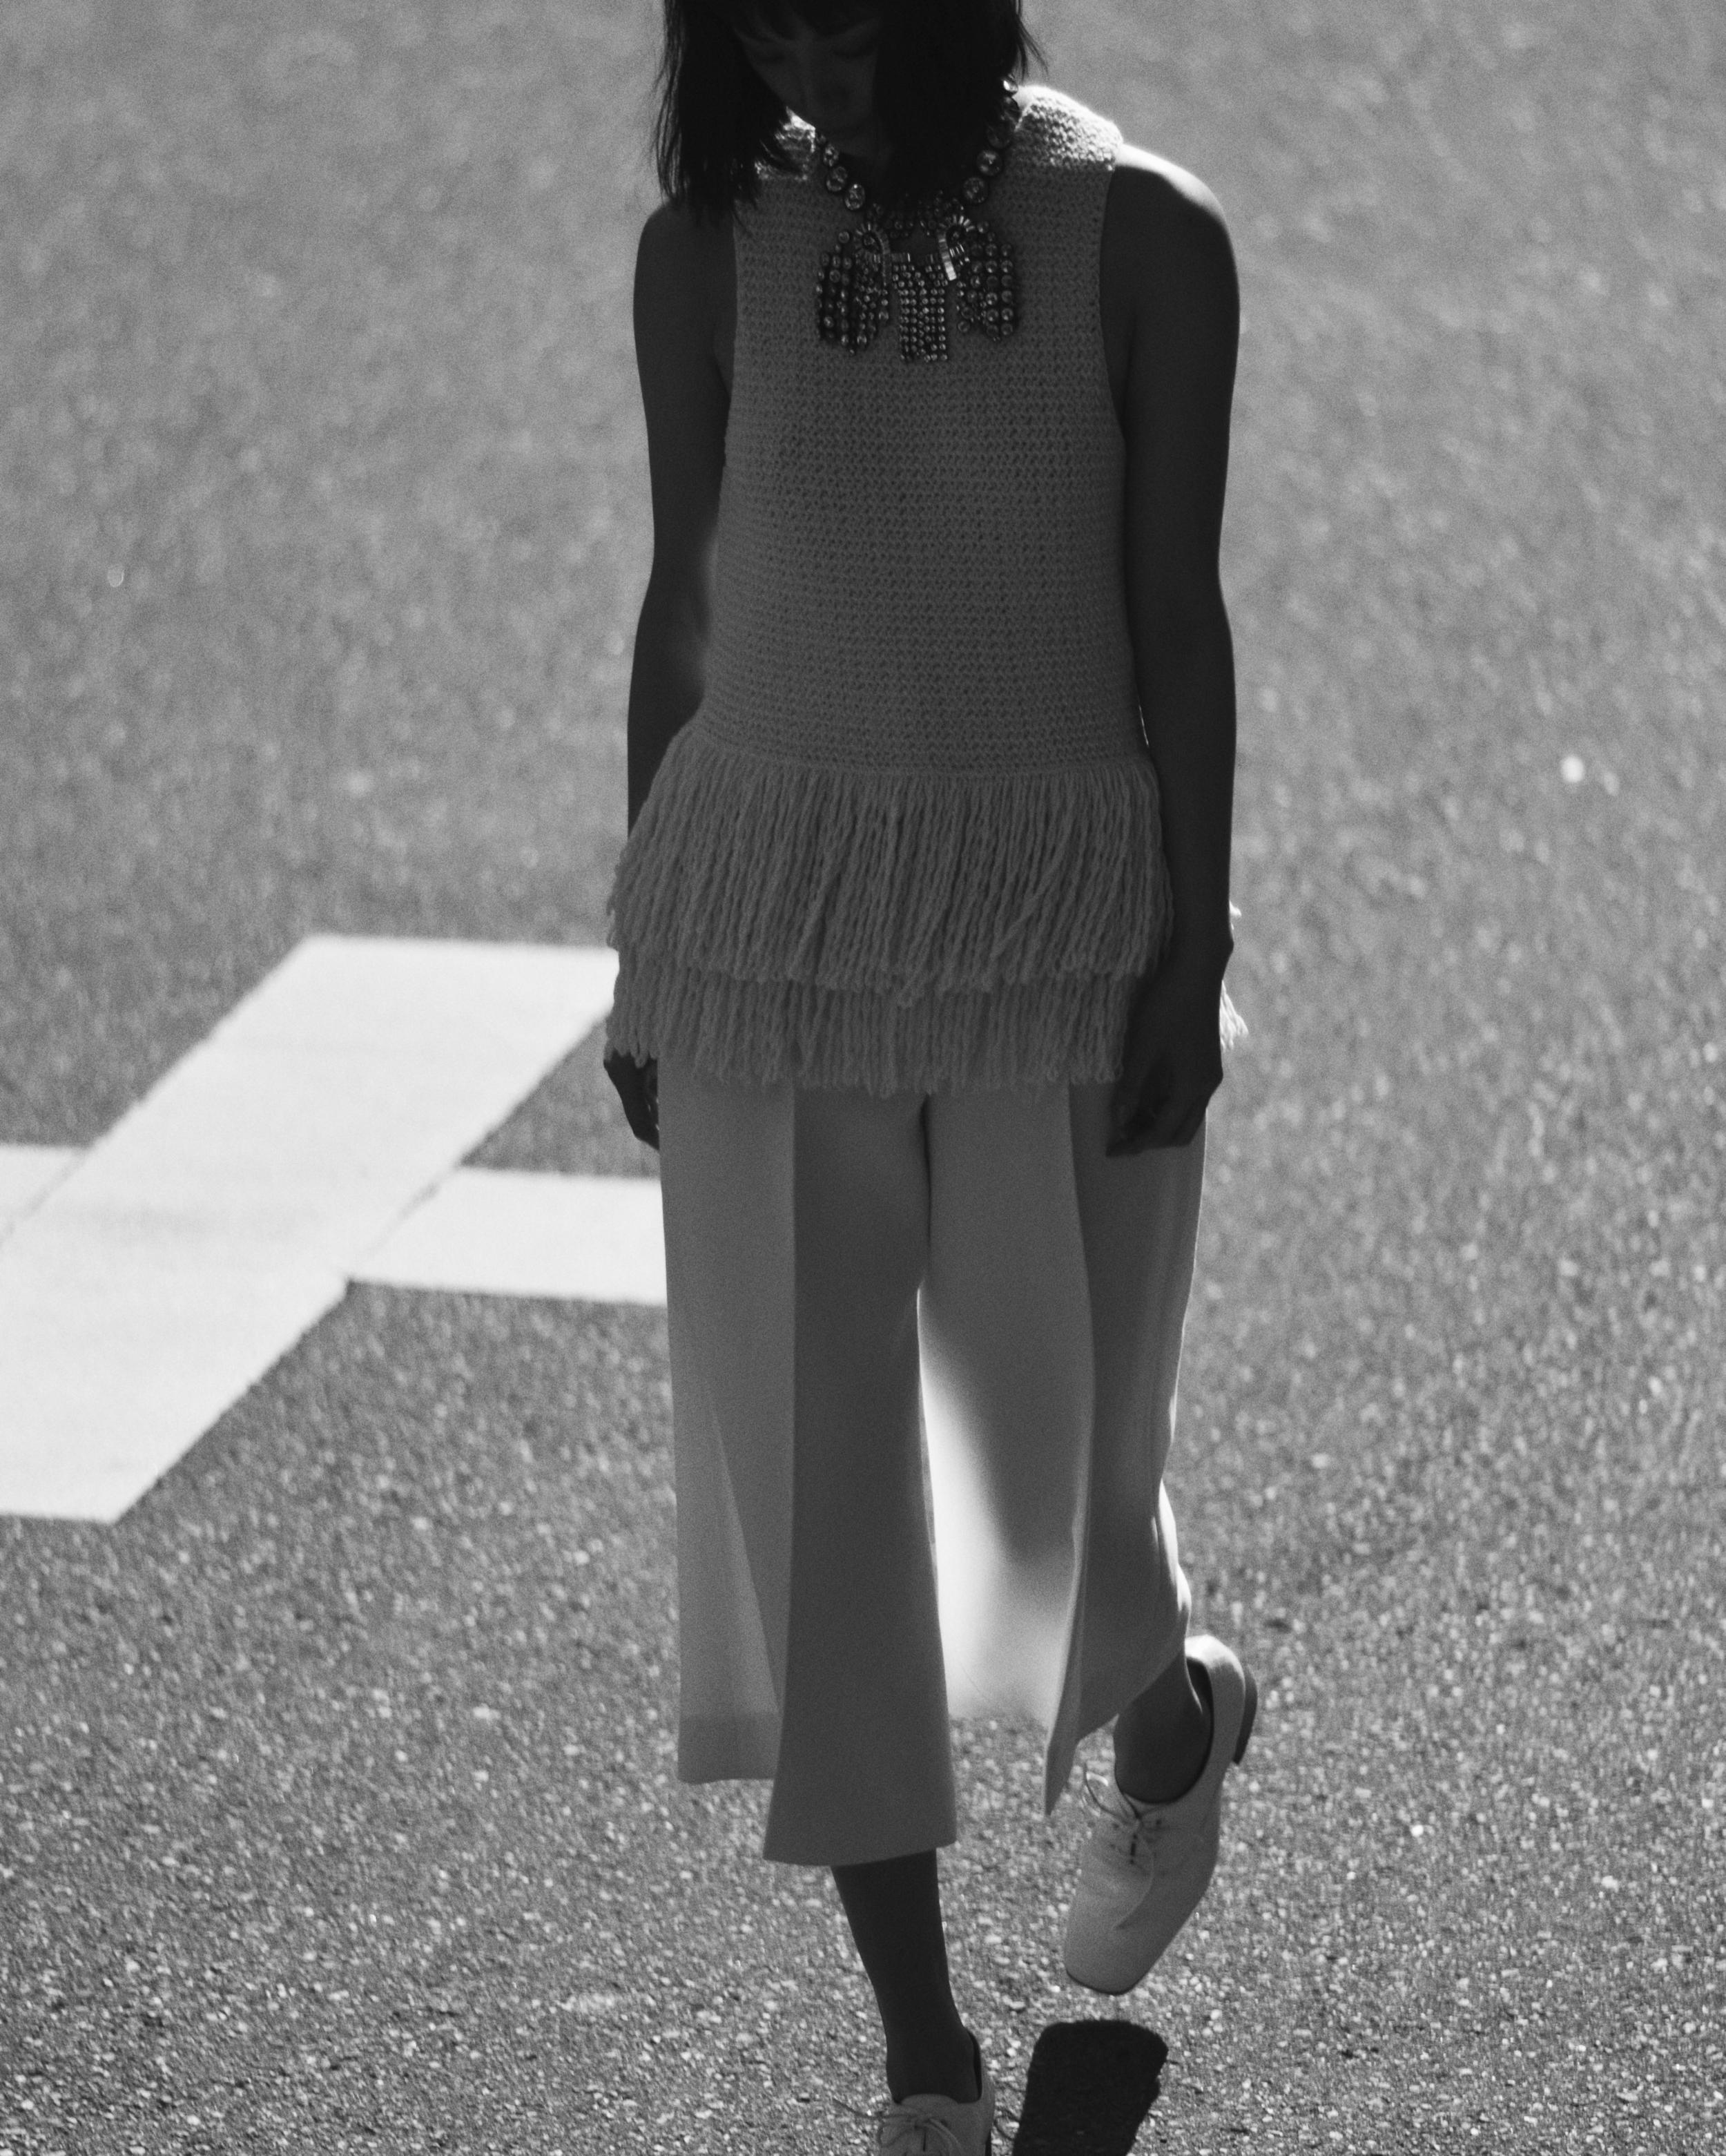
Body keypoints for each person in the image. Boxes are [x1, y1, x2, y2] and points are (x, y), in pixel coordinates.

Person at [602, 3, 1257, 2148]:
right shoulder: (703, 252)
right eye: (770, 14)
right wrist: (645, 942)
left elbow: (1178, 621)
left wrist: (1198, 934)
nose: (822, 51)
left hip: (1056, 931)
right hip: (765, 936)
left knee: (1052, 1498)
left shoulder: (1142, 237)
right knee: (826, 1514)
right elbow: (680, 608)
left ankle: (1173, 1728)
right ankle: (919, 2056)